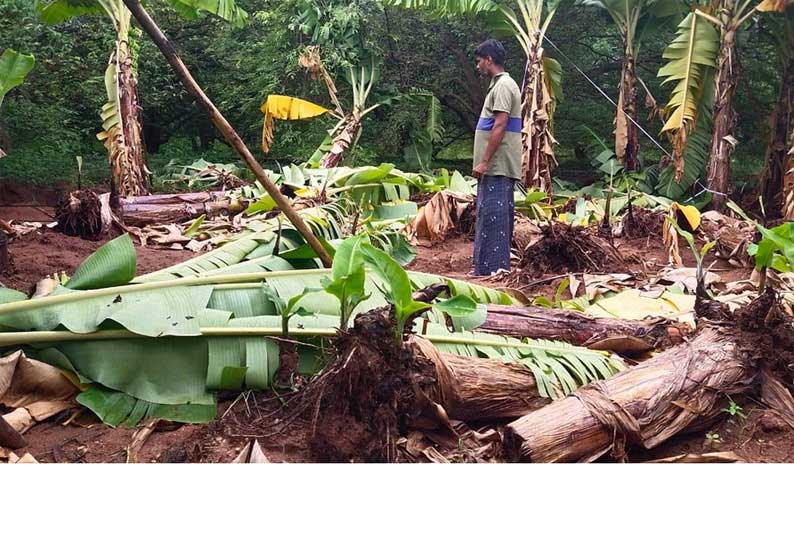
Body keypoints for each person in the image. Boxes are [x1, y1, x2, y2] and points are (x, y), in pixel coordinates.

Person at [471, 39, 522, 276]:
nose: (477, 65)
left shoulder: (503, 86)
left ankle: (494, 270)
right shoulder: (499, 84)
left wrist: (484, 161)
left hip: (498, 164)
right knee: (488, 214)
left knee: (495, 216)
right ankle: (485, 268)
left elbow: (500, 124)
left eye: (479, 60)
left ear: (489, 60)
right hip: (495, 164)